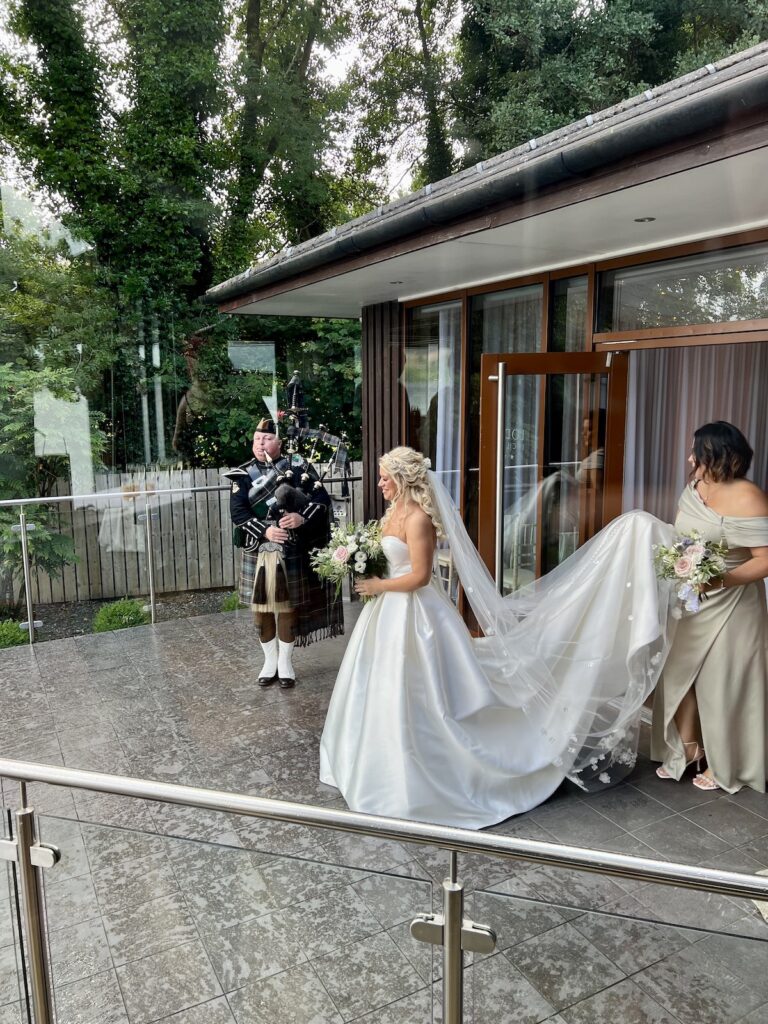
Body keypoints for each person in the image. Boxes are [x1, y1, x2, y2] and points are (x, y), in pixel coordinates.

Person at [320, 446, 677, 828]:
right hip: (386, 614)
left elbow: (421, 576)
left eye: (384, 477)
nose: (379, 484)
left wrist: (379, 583)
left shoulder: (419, 519)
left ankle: (427, 773)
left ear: (403, 479)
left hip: (415, 614)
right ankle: (378, 764)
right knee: (382, 687)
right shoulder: (392, 513)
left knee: (428, 692)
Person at [651, 421, 768, 792]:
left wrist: (718, 580)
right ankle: (688, 748)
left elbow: (765, 559)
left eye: (696, 452)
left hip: (733, 601)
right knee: (679, 674)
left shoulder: (749, 496)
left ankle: (726, 763)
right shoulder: (694, 488)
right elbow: (682, 536)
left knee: (722, 683)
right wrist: (680, 564)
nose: (689, 458)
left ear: (721, 457)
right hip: (692, 600)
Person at [225, 418, 343, 688]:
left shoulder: (298, 466)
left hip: (291, 548)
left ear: (279, 442)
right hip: (259, 549)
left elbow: (321, 499)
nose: (260, 444)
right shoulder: (242, 474)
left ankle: (285, 663)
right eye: (256, 439)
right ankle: (269, 661)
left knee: (288, 607)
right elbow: (238, 512)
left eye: (266, 439)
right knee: (261, 610)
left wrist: (301, 518)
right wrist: (266, 531)